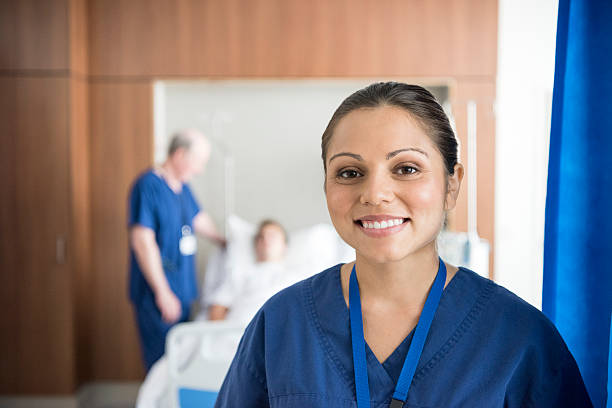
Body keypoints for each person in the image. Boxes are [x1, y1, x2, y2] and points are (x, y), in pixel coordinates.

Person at [214, 83, 592, 407]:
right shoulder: (282, 324)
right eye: (349, 172)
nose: (375, 194)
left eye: (407, 168)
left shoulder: (518, 338)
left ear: (451, 184)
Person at [128, 129, 226, 371]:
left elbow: (198, 218)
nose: (200, 170)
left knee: (179, 364)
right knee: (162, 365)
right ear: (180, 155)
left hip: (181, 290)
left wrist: (223, 241)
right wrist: (162, 292)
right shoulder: (148, 186)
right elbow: (142, 241)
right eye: (198, 162)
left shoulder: (182, 188)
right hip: (158, 293)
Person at [207, 219, 293, 324]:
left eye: (272, 236)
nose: (266, 240)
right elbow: (218, 308)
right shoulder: (239, 274)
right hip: (235, 334)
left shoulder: (295, 281)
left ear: (285, 246)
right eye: (261, 237)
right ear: (256, 245)